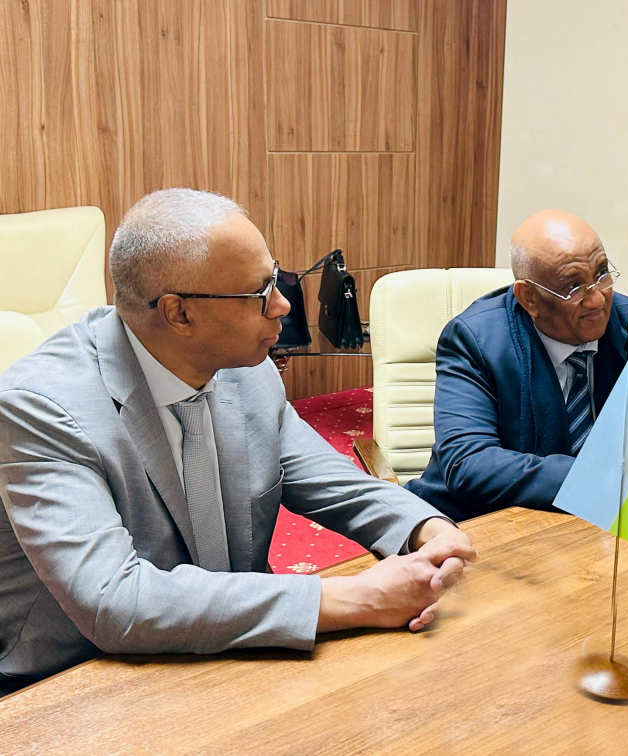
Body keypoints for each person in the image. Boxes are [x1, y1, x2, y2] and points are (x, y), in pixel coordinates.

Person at [0, 189, 476, 694]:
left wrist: (424, 527)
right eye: (259, 292)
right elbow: (115, 602)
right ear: (179, 314)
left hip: (236, 652)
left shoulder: (245, 367)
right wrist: (355, 597)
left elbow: (331, 480)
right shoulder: (42, 408)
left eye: (276, 278)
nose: (282, 305)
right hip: (74, 681)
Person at [405, 210, 628, 521]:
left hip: (612, 527)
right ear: (529, 298)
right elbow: (469, 463)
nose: (597, 300)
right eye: (573, 287)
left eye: (601, 274)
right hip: (482, 523)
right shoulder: (476, 341)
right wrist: (609, 480)